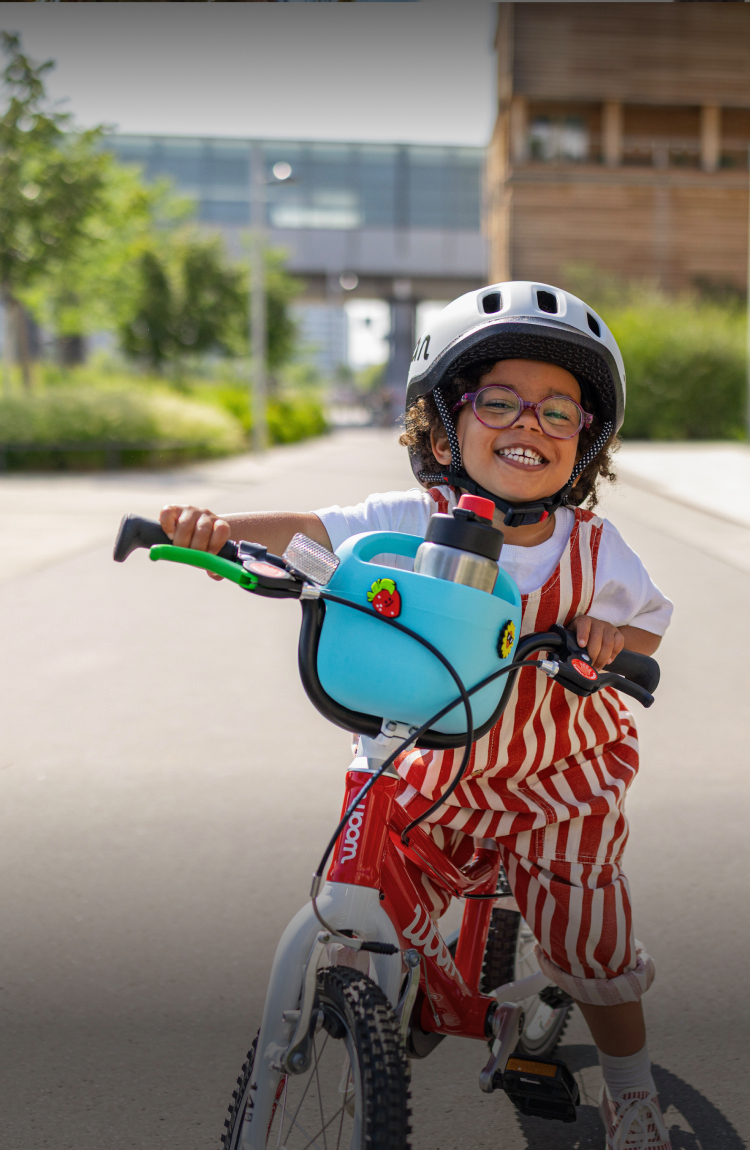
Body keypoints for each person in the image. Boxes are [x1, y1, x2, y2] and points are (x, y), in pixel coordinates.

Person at [159, 282, 673, 1150]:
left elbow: (647, 632)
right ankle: (386, 997)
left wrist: (605, 632)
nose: (530, 425)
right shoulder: (412, 521)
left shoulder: (596, 548)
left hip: (561, 777)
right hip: (432, 763)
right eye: (499, 401)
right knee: (370, 894)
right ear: (443, 425)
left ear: (586, 444)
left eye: (559, 413)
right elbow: (309, 530)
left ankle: (631, 1092)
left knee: (592, 949)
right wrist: (218, 532)